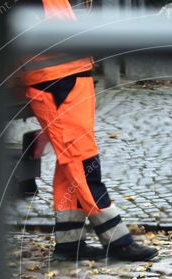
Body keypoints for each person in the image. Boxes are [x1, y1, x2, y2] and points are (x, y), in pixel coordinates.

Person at [18, 0, 158, 261]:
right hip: (55, 80)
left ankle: (70, 244)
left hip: (66, 75)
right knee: (82, 161)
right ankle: (118, 241)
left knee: (70, 162)